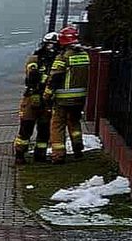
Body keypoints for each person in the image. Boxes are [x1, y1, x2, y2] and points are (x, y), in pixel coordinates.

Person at [46, 25, 91, 163]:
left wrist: (47, 94)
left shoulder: (63, 57)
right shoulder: (84, 55)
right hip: (80, 98)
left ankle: (58, 155)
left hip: (63, 99)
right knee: (74, 123)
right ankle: (78, 148)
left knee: (57, 125)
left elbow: (55, 77)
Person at [14, 34, 57, 164]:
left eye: (54, 45)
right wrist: (35, 91)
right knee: (26, 128)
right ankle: (19, 155)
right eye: (50, 44)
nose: (52, 48)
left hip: (47, 100)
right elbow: (31, 75)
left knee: (44, 130)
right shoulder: (34, 58)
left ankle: (40, 155)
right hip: (32, 98)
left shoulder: (57, 60)